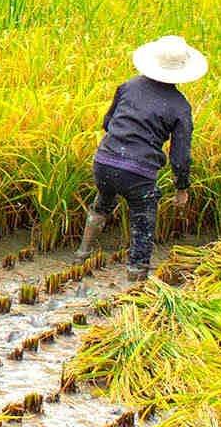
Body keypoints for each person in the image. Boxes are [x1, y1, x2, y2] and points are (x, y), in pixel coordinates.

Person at [76, 35, 205, 280]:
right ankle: (136, 274)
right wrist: (182, 188)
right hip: (138, 173)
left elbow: (107, 123)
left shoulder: (128, 86)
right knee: (143, 217)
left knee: (103, 200)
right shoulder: (180, 106)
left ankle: (82, 252)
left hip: (104, 162)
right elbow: (180, 156)